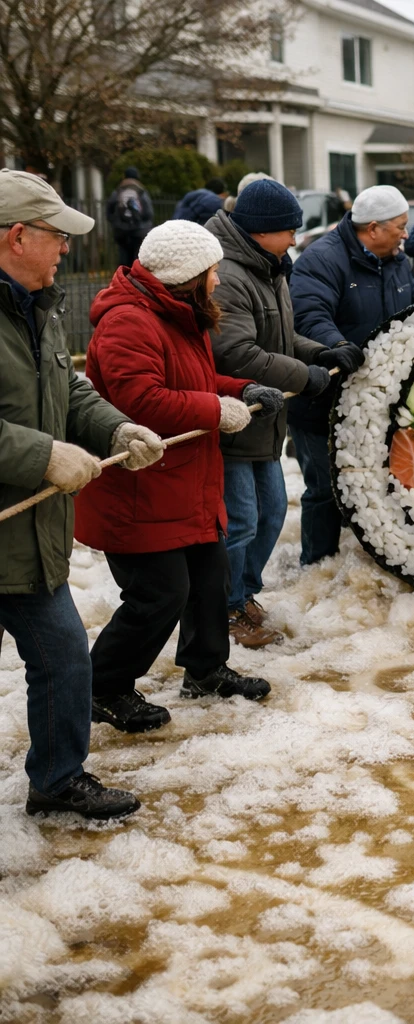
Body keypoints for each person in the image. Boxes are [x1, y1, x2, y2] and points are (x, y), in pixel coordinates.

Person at [0, 168, 165, 818]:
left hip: (28, 543)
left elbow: (65, 390)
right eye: (56, 236)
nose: (67, 249)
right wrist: (43, 454)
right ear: (16, 236)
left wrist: (117, 427)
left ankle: (58, 779)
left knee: (66, 658)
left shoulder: (40, 304)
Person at [77, 221, 281, 735]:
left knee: (210, 581)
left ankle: (206, 670)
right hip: (140, 490)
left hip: (184, 484)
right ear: (187, 276)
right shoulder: (129, 322)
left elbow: (193, 379)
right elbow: (138, 401)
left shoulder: (175, 315)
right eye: (211, 272)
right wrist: (216, 410)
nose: (217, 281)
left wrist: (244, 387)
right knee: (159, 595)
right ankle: (104, 686)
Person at [206, 179, 352, 647]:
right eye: (289, 230)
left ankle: (244, 593)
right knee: (242, 519)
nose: (295, 238)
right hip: (236, 412)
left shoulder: (271, 267)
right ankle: (222, 609)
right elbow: (235, 354)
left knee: (270, 514)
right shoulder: (228, 274)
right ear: (261, 230)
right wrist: (304, 377)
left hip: (265, 419)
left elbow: (282, 339)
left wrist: (327, 352)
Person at [290, 185, 414, 564]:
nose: (405, 234)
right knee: (324, 489)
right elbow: (308, 314)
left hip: (373, 398)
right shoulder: (322, 260)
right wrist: (336, 345)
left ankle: (358, 559)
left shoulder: (396, 258)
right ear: (374, 228)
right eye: (400, 225)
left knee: (366, 480)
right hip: (321, 394)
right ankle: (316, 568)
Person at [105, 166, 154, 268]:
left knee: (123, 259)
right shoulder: (141, 191)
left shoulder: (118, 191)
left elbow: (109, 211)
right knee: (137, 260)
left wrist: (117, 224)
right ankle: (135, 281)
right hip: (139, 231)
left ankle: (123, 280)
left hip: (122, 232)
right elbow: (149, 213)